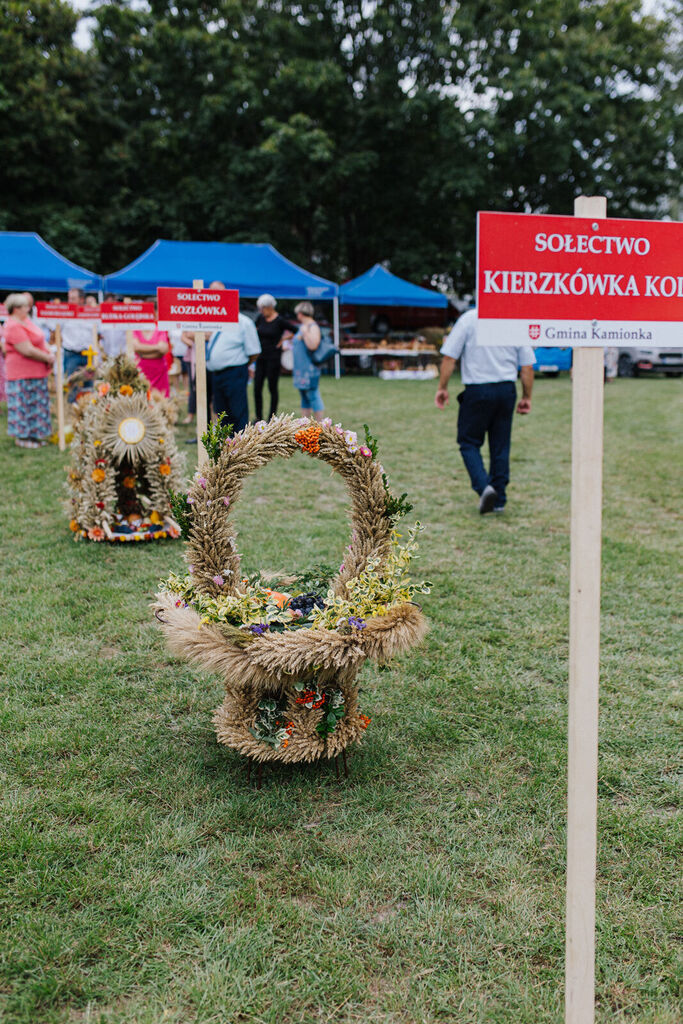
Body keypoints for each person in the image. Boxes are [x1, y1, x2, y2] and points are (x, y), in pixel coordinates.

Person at [435, 306, 534, 513]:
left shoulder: (469, 319)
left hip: (478, 390)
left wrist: (443, 387)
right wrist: (526, 396)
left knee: (468, 442)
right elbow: (526, 366)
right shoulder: (513, 318)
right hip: (507, 389)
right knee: (500, 445)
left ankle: (484, 487)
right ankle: (499, 499)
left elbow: (449, 358)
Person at [205, 280, 260, 432]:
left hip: (235, 372)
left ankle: (241, 444)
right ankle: (225, 445)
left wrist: (240, 364)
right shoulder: (215, 320)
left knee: (237, 411)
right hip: (217, 374)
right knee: (221, 413)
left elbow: (254, 351)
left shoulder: (244, 322)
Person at [3, 292, 54, 448]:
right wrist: (47, 358)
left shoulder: (27, 321)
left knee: (36, 405)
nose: (27, 308)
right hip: (21, 374)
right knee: (23, 406)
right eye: (24, 306)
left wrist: (49, 352)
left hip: (37, 373)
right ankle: (22, 438)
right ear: (16, 308)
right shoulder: (12, 325)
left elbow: (40, 340)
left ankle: (35, 435)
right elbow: (26, 349)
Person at [253, 293, 294, 421]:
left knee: (272, 387)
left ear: (270, 307)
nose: (261, 311)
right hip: (260, 357)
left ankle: (271, 417)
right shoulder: (260, 318)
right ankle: (258, 417)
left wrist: (283, 339)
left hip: (273, 358)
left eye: (263, 308)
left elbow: (295, 330)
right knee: (257, 387)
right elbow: (254, 329)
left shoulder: (280, 321)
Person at [292, 301, 323, 421]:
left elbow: (313, 345)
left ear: (300, 313)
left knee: (313, 396)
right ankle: (305, 425)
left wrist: (305, 333)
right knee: (304, 397)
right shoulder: (303, 327)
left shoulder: (312, 327)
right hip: (301, 368)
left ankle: (320, 425)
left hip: (309, 369)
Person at [131, 311, 171, 397]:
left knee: (161, 399)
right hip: (142, 371)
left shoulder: (159, 329)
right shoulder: (136, 330)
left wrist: (142, 354)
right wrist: (156, 348)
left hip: (159, 371)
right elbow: (136, 347)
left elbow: (164, 349)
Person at [60, 287, 94, 386]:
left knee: (89, 385)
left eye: (73, 299)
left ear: (81, 300)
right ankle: (70, 401)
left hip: (88, 355)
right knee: (70, 385)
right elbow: (55, 332)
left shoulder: (90, 313)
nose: (70, 301)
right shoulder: (64, 313)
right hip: (71, 354)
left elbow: (98, 334)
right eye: (69, 298)